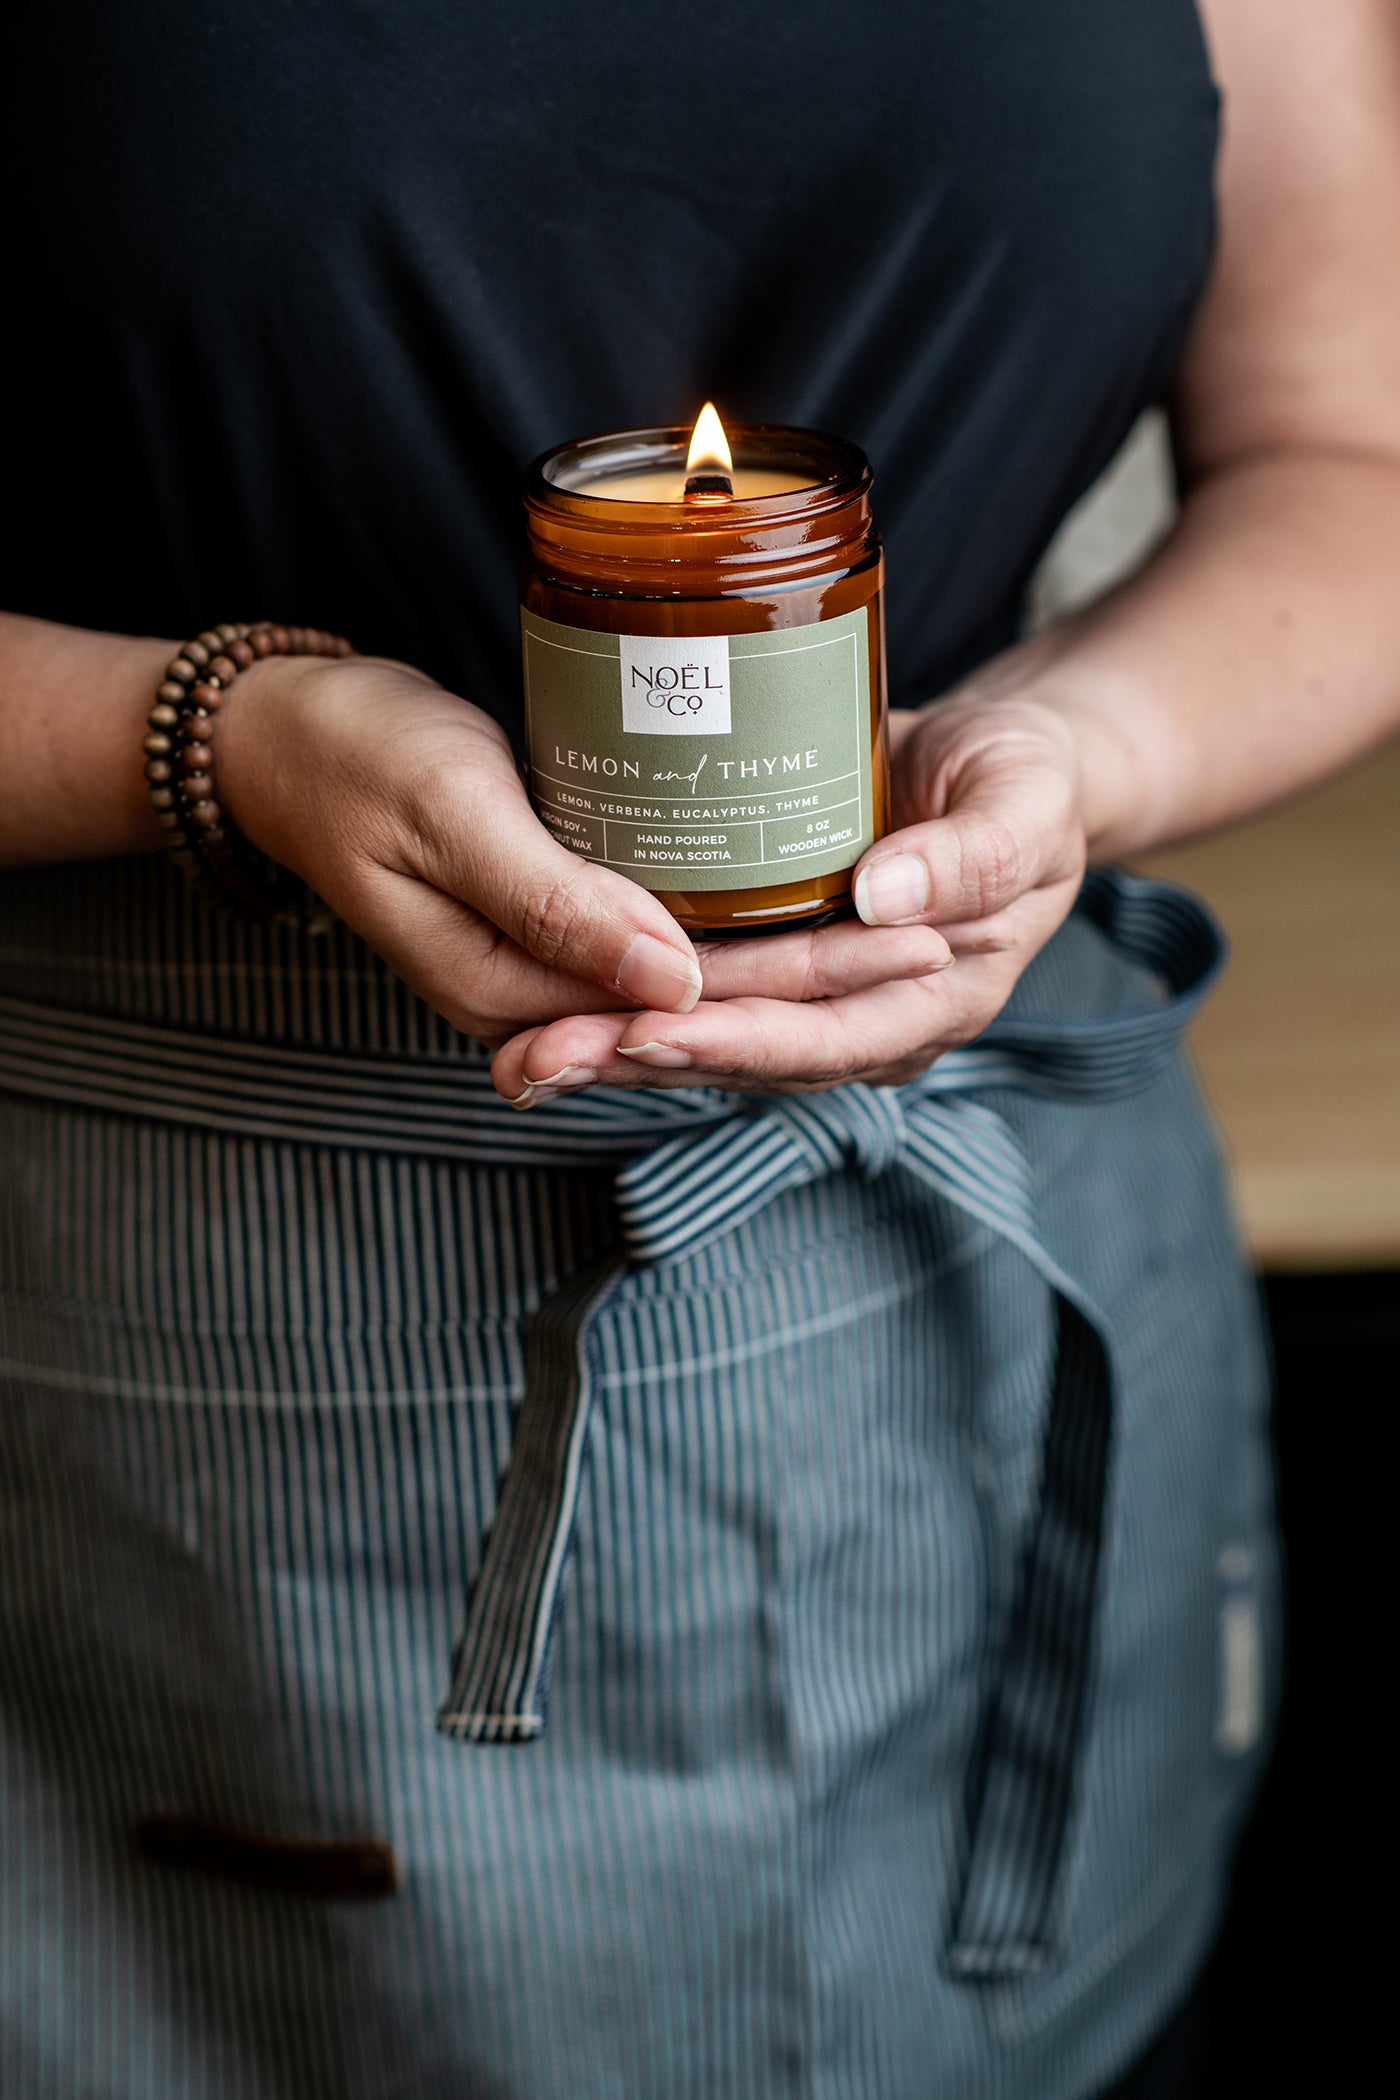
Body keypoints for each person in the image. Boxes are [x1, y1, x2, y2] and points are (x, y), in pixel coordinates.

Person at [1, 2, 1397, 2094]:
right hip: (215, 1345)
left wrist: (1076, 752)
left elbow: (1348, 453)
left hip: (982, 1244)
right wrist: (213, 738)